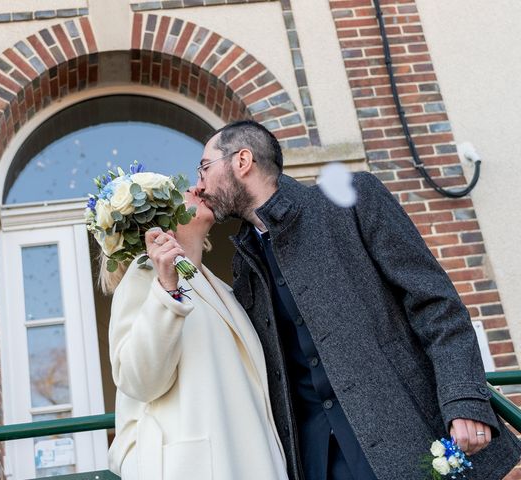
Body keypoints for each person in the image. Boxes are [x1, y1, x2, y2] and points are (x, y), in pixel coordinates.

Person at [195, 120, 521, 480]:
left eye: (205, 168)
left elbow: (436, 304)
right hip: (317, 458)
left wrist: (464, 398)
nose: (199, 184)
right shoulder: (245, 261)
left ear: (243, 161)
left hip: (407, 437)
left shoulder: (351, 199)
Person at [105, 189, 289, 480]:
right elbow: (138, 379)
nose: (197, 189)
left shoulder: (224, 290)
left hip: (244, 459)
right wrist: (166, 289)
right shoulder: (145, 275)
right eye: (183, 192)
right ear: (162, 221)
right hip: (193, 465)